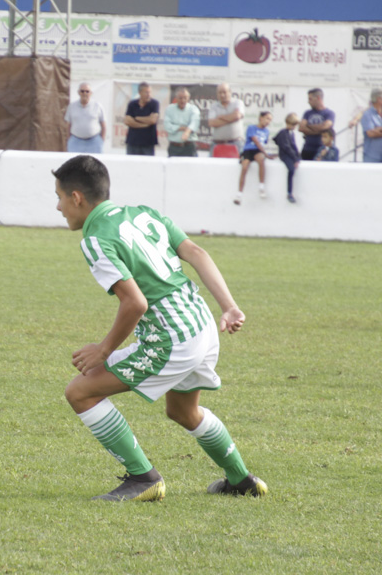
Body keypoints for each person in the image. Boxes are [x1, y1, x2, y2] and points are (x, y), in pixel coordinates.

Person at [51, 154, 267, 502]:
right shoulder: (143, 212)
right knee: (182, 411)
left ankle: (143, 478)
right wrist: (229, 306)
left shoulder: (95, 239)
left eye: (60, 197)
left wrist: (102, 350)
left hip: (172, 338)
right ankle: (241, 480)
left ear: (76, 197)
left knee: (80, 391)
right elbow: (196, 251)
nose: (58, 206)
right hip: (201, 323)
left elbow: (135, 303)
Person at [235, 111, 272, 204]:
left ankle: (261, 187)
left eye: (270, 120)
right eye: (267, 118)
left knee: (261, 160)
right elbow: (256, 141)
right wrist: (265, 153)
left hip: (258, 151)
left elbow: (264, 143)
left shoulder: (267, 131)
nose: (268, 121)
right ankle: (239, 194)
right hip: (249, 150)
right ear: (261, 118)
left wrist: (266, 154)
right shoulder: (252, 128)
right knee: (244, 167)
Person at [64, 82, 107, 154]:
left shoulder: (98, 106)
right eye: (82, 91)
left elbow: (103, 125)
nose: (84, 93)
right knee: (74, 163)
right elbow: (68, 125)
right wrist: (69, 139)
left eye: (87, 91)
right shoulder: (72, 106)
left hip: (94, 142)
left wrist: (101, 140)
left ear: (91, 93)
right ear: (78, 93)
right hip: (75, 142)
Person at [207, 83, 244, 158]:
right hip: (217, 144)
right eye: (220, 93)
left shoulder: (237, 103)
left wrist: (220, 117)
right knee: (211, 167)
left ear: (230, 92)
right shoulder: (214, 106)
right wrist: (231, 118)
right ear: (217, 94)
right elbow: (211, 123)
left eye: (224, 92)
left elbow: (237, 116)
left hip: (236, 143)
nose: (222, 95)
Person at [123, 82, 160, 156]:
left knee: (148, 166)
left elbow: (153, 120)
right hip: (132, 142)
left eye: (150, 92)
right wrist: (145, 124)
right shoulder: (132, 104)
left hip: (148, 143)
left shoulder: (154, 103)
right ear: (140, 92)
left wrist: (137, 118)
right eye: (146, 92)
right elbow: (127, 121)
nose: (149, 94)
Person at [162, 87, 200, 158]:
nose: (183, 100)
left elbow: (195, 123)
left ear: (188, 98)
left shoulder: (193, 109)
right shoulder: (170, 109)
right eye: (180, 98)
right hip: (174, 147)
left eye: (185, 98)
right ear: (176, 98)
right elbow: (167, 126)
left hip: (189, 147)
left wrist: (187, 131)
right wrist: (181, 128)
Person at [298, 88, 335, 161]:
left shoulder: (329, 113)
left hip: (322, 149)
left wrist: (308, 126)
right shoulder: (307, 113)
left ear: (318, 98)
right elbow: (301, 128)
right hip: (307, 149)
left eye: (310, 99)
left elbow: (326, 126)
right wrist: (319, 131)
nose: (308, 102)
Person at [275, 112, 300, 203]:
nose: (293, 127)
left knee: (293, 169)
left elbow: (293, 145)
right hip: (285, 155)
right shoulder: (283, 133)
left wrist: (297, 156)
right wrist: (294, 157)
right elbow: (286, 147)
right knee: (291, 169)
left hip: (290, 154)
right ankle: (289, 192)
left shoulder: (291, 133)